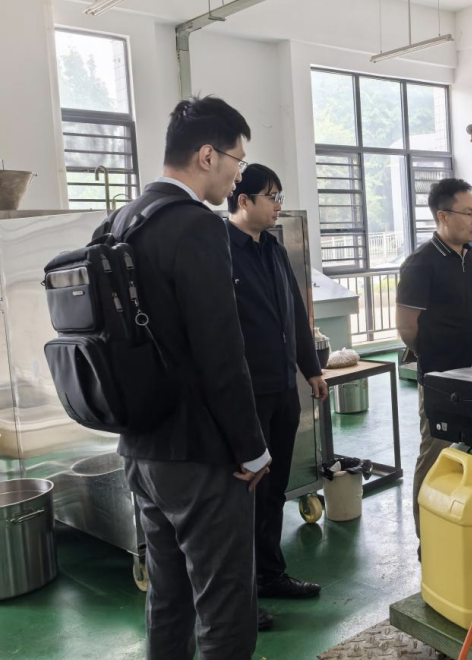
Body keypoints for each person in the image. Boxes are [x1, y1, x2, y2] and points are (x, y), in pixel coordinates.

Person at [101, 96, 269, 659]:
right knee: (225, 608)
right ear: (207, 155)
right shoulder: (197, 226)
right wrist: (252, 449)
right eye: (237, 161)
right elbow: (221, 354)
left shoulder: (122, 221)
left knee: (169, 597)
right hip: (199, 454)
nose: (238, 175)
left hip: (141, 447)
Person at [227, 164, 328, 606]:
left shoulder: (274, 248)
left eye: (280, 196)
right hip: (245, 395)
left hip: (283, 389)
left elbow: (295, 315)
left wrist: (311, 369)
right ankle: (240, 594)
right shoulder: (219, 251)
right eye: (271, 196)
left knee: (274, 488)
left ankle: (269, 575)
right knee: (245, 493)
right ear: (243, 200)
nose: (278, 206)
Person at [396, 178, 472, 548]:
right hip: (440, 380)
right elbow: (407, 327)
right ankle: (428, 537)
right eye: (468, 213)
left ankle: (462, 524)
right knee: (436, 453)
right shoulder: (421, 264)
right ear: (443, 216)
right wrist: (434, 359)